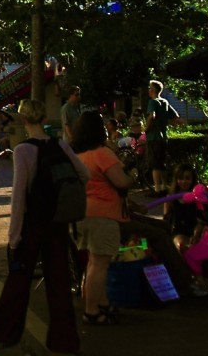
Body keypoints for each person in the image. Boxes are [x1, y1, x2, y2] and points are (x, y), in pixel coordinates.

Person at [0, 98, 88, 354]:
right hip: (57, 223)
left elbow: (19, 195)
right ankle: (65, 341)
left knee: (18, 282)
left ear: (23, 120)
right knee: (59, 283)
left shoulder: (23, 151)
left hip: (33, 224)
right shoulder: (60, 145)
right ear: (43, 118)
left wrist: (13, 236)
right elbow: (85, 174)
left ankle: (4, 335)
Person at [71, 109, 129, 325]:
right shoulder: (101, 154)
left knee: (93, 263)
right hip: (103, 214)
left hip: (82, 213)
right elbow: (121, 181)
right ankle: (92, 310)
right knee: (100, 264)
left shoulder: (78, 156)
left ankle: (99, 302)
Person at [145, 79, 180, 195]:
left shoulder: (152, 102)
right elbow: (175, 116)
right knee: (162, 163)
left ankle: (157, 188)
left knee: (155, 164)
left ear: (153, 90)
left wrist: (147, 128)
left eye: (150, 88)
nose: (148, 90)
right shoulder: (164, 102)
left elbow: (152, 116)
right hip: (163, 136)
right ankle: (165, 186)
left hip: (153, 136)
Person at [166, 164, 200, 252]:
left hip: (196, 232)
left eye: (187, 178)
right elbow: (166, 220)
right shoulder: (170, 198)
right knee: (182, 245)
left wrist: (196, 235)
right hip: (178, 233)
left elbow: (202, 220)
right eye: (180, 178)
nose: (184, 181)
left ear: (192, 179)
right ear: (176, 180)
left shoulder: (198, 197)